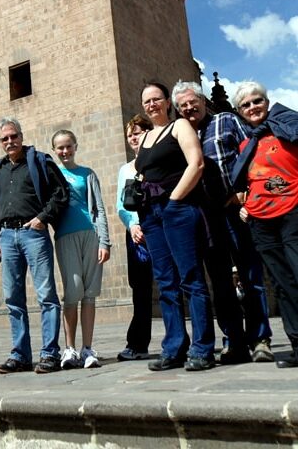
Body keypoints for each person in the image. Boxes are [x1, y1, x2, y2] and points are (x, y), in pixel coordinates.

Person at [172, 80, 272, 363]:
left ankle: (260, 339)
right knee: (219, 281)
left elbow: (250, 152)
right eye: (183, 106)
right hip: (205, 217)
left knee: (250, 275)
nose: (189, 108)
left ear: (203, 100)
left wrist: (245, 191)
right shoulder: (183, 133)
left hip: (234, 210)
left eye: (193, 101)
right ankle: (233, 341)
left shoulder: (227, 120)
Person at [135, 82, 215, 371]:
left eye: (157, 99)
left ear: (167, 102)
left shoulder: (180, 126)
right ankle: (174, 347)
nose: (152, 104)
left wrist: (174, 199)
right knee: (166, 283)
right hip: (151, 215)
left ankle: (202, 348)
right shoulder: (144, 139)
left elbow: (197, 163)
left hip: (178, 209)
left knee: (191, 278)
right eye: (147, 101)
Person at [0, 117, 69, 374]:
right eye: (5, 138)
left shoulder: (40, 161)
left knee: (46, 295)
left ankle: (49, 354)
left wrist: (42, 218)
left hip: (33, 233)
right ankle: (21, 355)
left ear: (21, 137)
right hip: (6, 237)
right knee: (13, 298)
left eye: (14, 136)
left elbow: (61, 193)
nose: (10, 141)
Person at [232, 81, 298, 368]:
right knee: (282, 285)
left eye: (257, 101)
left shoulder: (288, 129)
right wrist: (245, 206)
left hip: (292, 211)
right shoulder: (246, 145)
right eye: (246, 105)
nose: (253, 107)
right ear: (239, 111)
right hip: (261, 220)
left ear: (267, 102)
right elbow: (245, 182)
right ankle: (297, 344)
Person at [51, 130, 111, 369]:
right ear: (54, 150)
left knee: (89, 292)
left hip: (91, 235)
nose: (65, 151)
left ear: (75, 146)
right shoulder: (53, 176)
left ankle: (87, 348)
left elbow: (100, 208)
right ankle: (69, 348)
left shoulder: (87, 174)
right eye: (60, 148)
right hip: (65, 237)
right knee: (73, 290)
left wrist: (105, 242)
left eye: (68, 146)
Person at [115, 114, 154, 361]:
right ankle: (138, 343)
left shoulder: (159, 161)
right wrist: (132, 225)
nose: (133, 139)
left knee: (177, 284)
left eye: (137, 133)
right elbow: (121, 204)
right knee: (140, 289)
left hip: (161, 229)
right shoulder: (126, 169)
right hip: (137, 235)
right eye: (130, 135)